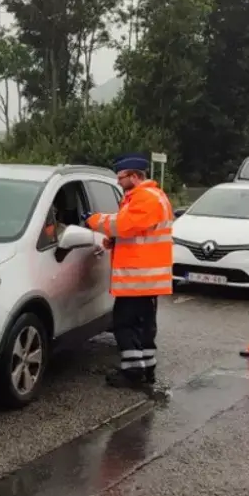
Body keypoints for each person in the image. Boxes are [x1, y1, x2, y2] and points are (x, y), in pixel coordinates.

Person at [85, 153, 175, 389]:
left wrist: (93, 220)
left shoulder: (145, 198)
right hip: (147, 277)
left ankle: (133, 372)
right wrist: (116, 241)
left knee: (125, 323)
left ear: (134, 176)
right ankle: (146, 368)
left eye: (121, 177)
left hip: (139, 277)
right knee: (144, 324)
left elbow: (122, 225)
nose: (118, 181)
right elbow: (139, 231)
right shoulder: (152, 196)